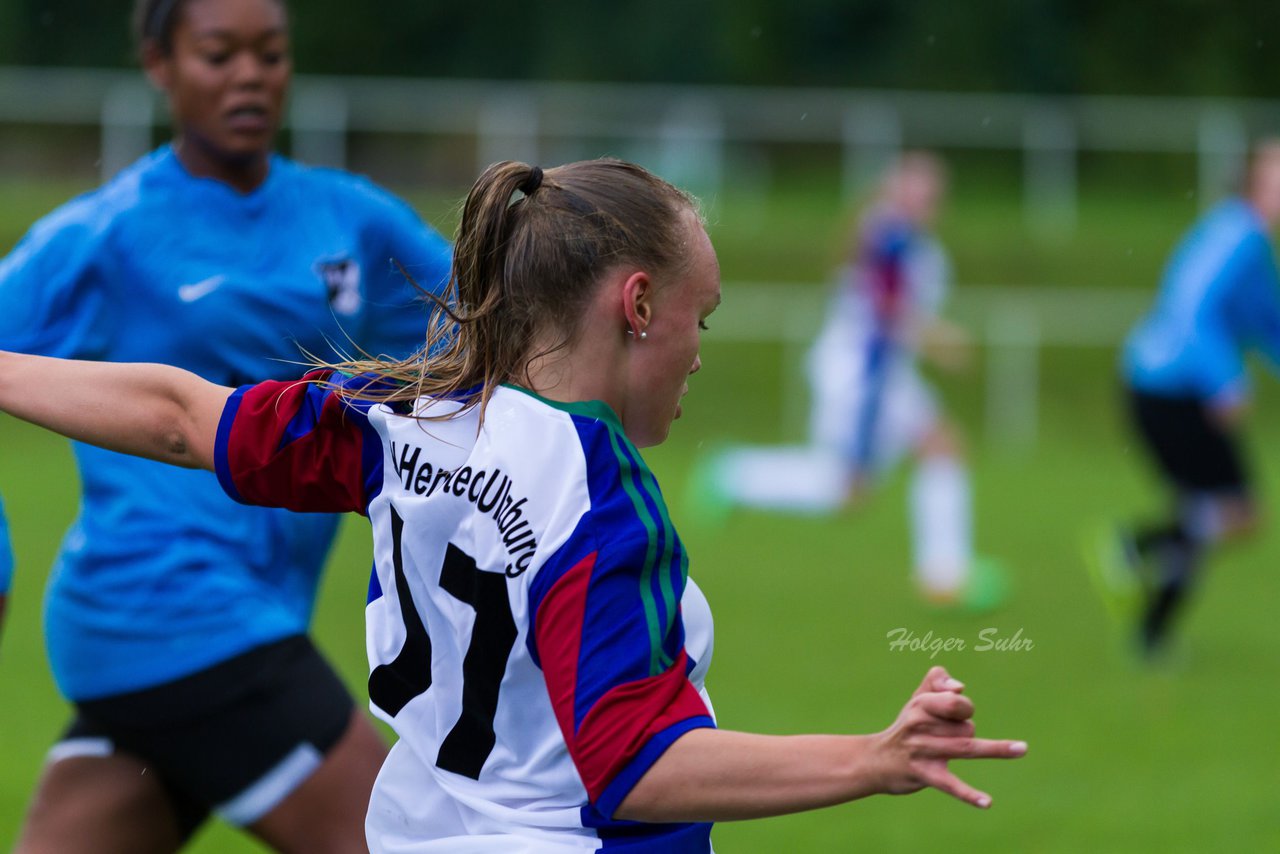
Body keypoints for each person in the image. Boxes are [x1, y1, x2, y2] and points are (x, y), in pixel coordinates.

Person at [0, 158, 1027, 852]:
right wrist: (870, 756)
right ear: (633, 305)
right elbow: (634, 765)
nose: (700, 349)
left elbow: (183, 414)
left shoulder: (399, 418)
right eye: (696, 316)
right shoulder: (598, 494)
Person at [0, 0, 452, 850]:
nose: (250, 75)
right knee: (404, 842)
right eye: (218, 54)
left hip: (219, 623)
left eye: (270, 54)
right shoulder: (108, 234)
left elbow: (494, 329)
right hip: (174, 608)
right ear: (158, 64)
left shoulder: (349, 216)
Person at [691, 152, 1006, 610]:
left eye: (934, 195)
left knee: (847, 491)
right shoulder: (889, 237)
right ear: (896, 192)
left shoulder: (908, 241)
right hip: (863, 378)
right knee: (928, 453)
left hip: (882, 374)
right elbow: (888, 309)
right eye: (918, 192)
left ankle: (734, 474)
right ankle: (945, 577)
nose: (927, 203)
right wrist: (939, 339)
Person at [1093, 140, 1280, 658]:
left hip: (1166, 388)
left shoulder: (1249, 241)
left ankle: (1140, 571)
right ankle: (1139, 566)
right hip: (1167, 391)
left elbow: (1267, 323)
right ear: (1256, 182)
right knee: (1231, 510)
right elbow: (1191, 308)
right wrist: (1226, 380)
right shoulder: (1237, 234)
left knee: (1221, 513)